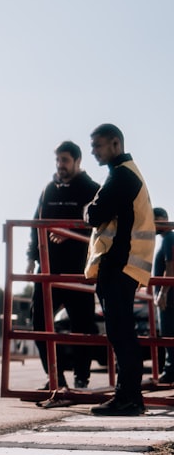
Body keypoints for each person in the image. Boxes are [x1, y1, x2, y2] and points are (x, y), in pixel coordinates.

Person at [84, 123, 155, 416]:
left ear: (115, 144)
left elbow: (95, 214)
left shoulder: (121, 176)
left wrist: (87, 208)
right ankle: (130, 397)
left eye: (97, 145)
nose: (93, 151)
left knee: (120, 333)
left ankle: (128, 398)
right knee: (123, 332)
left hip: (119, 265)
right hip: (124, 266)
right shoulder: (128, 173)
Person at [27, 141, 100, 399]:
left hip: (79, 270)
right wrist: (30, 257)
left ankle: (82, 377)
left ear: (78, 162)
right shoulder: (48, 190)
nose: (60, 166)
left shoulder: (92, 190)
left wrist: (73, 231)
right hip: (48, 269)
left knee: (83, 326)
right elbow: (36, 222)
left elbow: (101, 225)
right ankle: (54, 377)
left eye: (65, 160)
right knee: (38, 322)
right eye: (58, 160)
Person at [152, 207, 174, 383]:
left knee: (168, 332)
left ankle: (170, 370)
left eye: (155, 221)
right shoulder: (166, 239)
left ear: (164, 219)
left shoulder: (169, 238)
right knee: (167, 332)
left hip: (169, 296)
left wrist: (163, 293)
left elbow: (171, 265)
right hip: (167, 294)